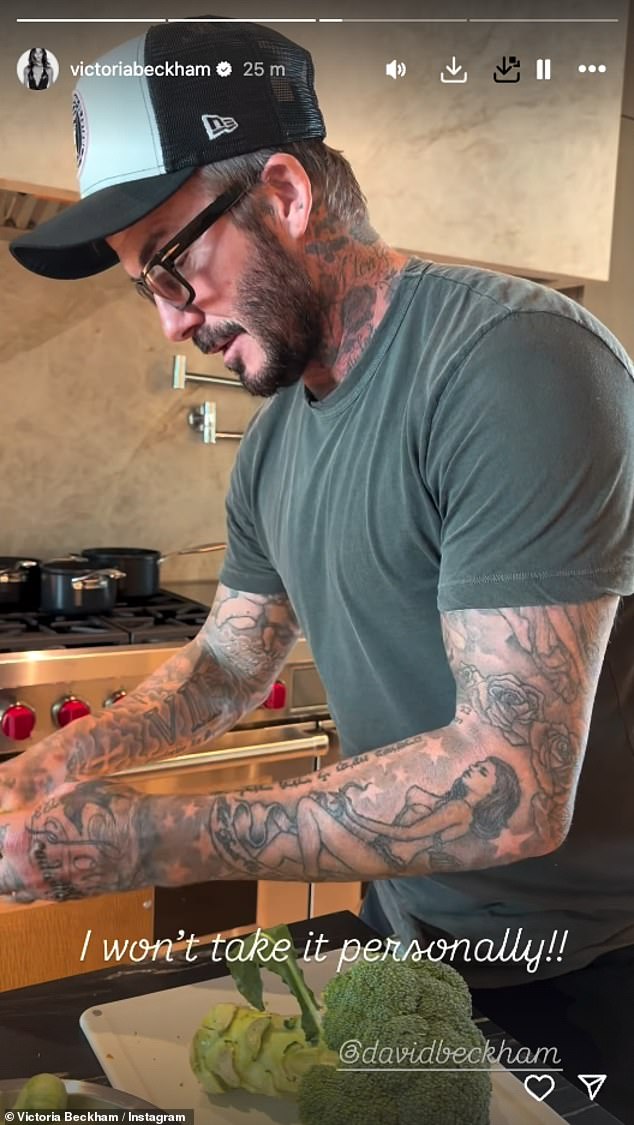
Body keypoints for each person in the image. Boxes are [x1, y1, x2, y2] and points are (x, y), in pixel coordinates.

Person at [5, 19, 634, 1122]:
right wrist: (65, 758)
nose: (172, 323)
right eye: (144, 287)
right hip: (406, 939)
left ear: (286, 195)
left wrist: (152, 840)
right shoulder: (278, 440)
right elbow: (227, 662)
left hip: (585, 968)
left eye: (172, 265)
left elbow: (513, 784)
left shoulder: (516, 362)